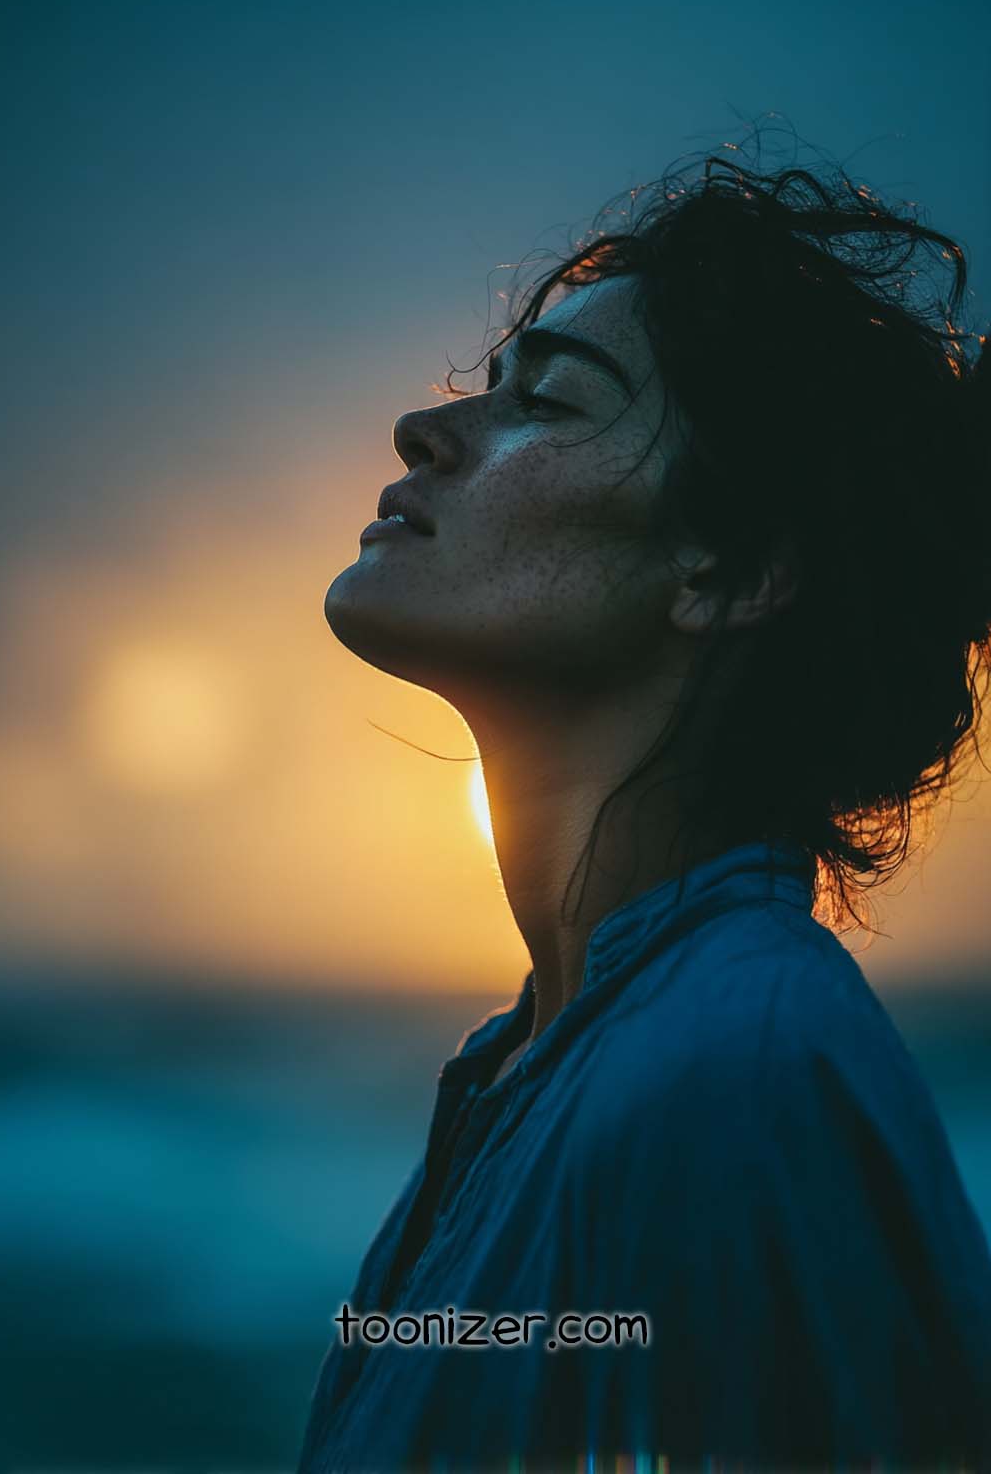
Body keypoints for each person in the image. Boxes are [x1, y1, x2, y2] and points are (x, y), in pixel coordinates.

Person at [297, 143, 991, 1471]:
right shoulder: (538, 1062)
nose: (426, 430)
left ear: (729, 571)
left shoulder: (744, 1072)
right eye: (489, 388)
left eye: (548, 404)